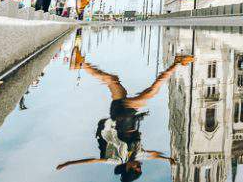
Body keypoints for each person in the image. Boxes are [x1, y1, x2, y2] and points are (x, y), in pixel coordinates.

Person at [55, 55, 194, 180]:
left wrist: (69, 164)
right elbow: (153, 155)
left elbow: (93, 160)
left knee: (151, 92)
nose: (139, 166)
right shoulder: (138, 155)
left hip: (123, 117)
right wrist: (167, 159)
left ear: (128, 168)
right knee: (112, 80)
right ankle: (81, 64)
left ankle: (177, 63)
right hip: (121, 113)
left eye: (136, 168)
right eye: (140, 168)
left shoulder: (117, 159)